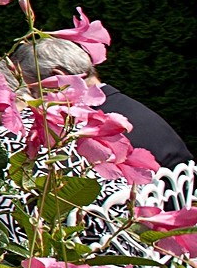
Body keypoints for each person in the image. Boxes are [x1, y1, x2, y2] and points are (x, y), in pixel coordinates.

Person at [10, 38, 193, 171]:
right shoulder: (127, 105)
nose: (35, 100)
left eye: (34, 90)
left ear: (59, 76)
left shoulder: (90, 119)